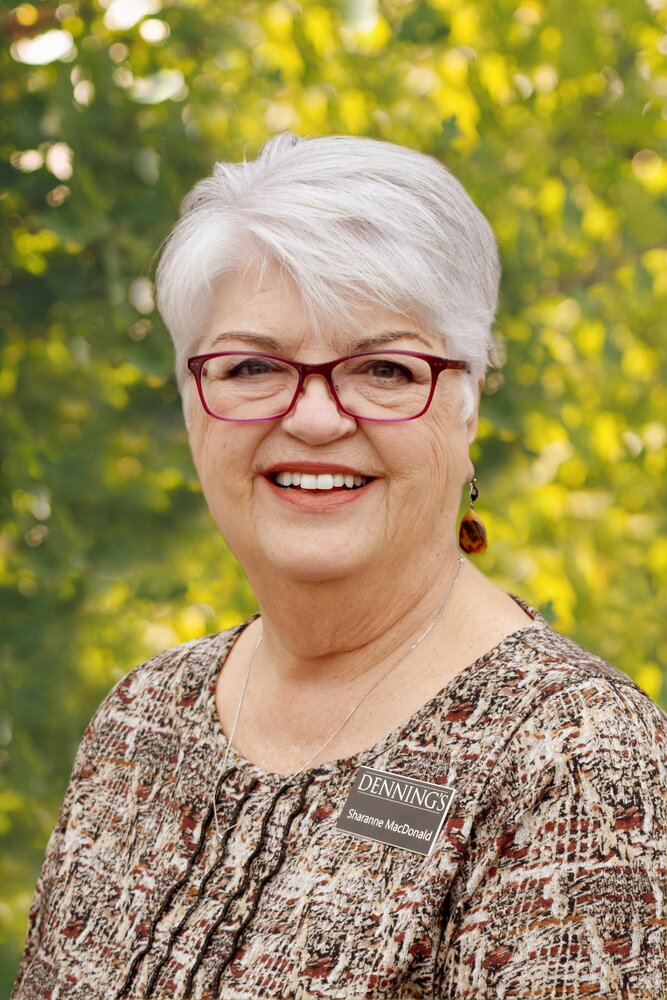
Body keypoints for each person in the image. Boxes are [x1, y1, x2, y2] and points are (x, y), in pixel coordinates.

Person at [12, 133, 667, 1000]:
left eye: (383, 368)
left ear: (466, 404)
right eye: (252, 366)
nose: (315, 419)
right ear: (192, 400)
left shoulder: (572, 756)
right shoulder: (143, 716)